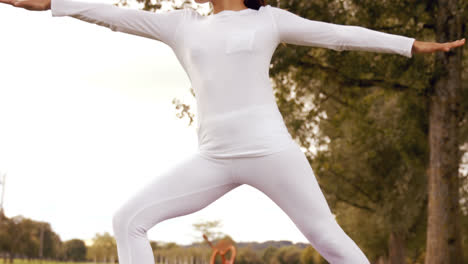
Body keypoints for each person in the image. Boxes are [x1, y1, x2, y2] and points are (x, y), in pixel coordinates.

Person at [0, 0, 465, 263]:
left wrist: (411, 45)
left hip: (271, 150)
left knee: (328, 237)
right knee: (128, 219)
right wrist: (51, 4)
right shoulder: (182, 25)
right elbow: (113, 16)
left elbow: (340, 34)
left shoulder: (269, 20)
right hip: (214, 158)